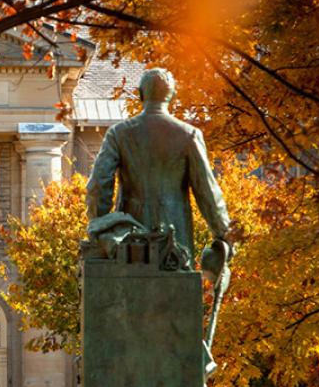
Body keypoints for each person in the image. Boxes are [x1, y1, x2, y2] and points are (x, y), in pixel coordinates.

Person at [85, 68, 230, 261]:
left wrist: (100, 224)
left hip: (131, 240)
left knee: (129, 289)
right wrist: (223, 233)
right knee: (177, 289)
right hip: (177, 238)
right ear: (172, 96)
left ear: (140, 94)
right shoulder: (189, 135)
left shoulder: (118, 134)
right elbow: (207, 192)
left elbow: (98, 184)